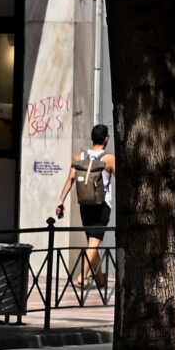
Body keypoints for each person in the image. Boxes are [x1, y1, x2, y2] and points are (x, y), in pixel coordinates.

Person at [53, 122, 116, 290]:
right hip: (102, 205)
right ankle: (82, 275)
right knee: (94, 243)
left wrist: (60, 201)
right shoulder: (109, 159)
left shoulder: (79, 158)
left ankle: (101, 279)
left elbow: (70, 180)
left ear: (92, 138)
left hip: (85, 205)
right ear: (106, 139)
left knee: (91, 242)